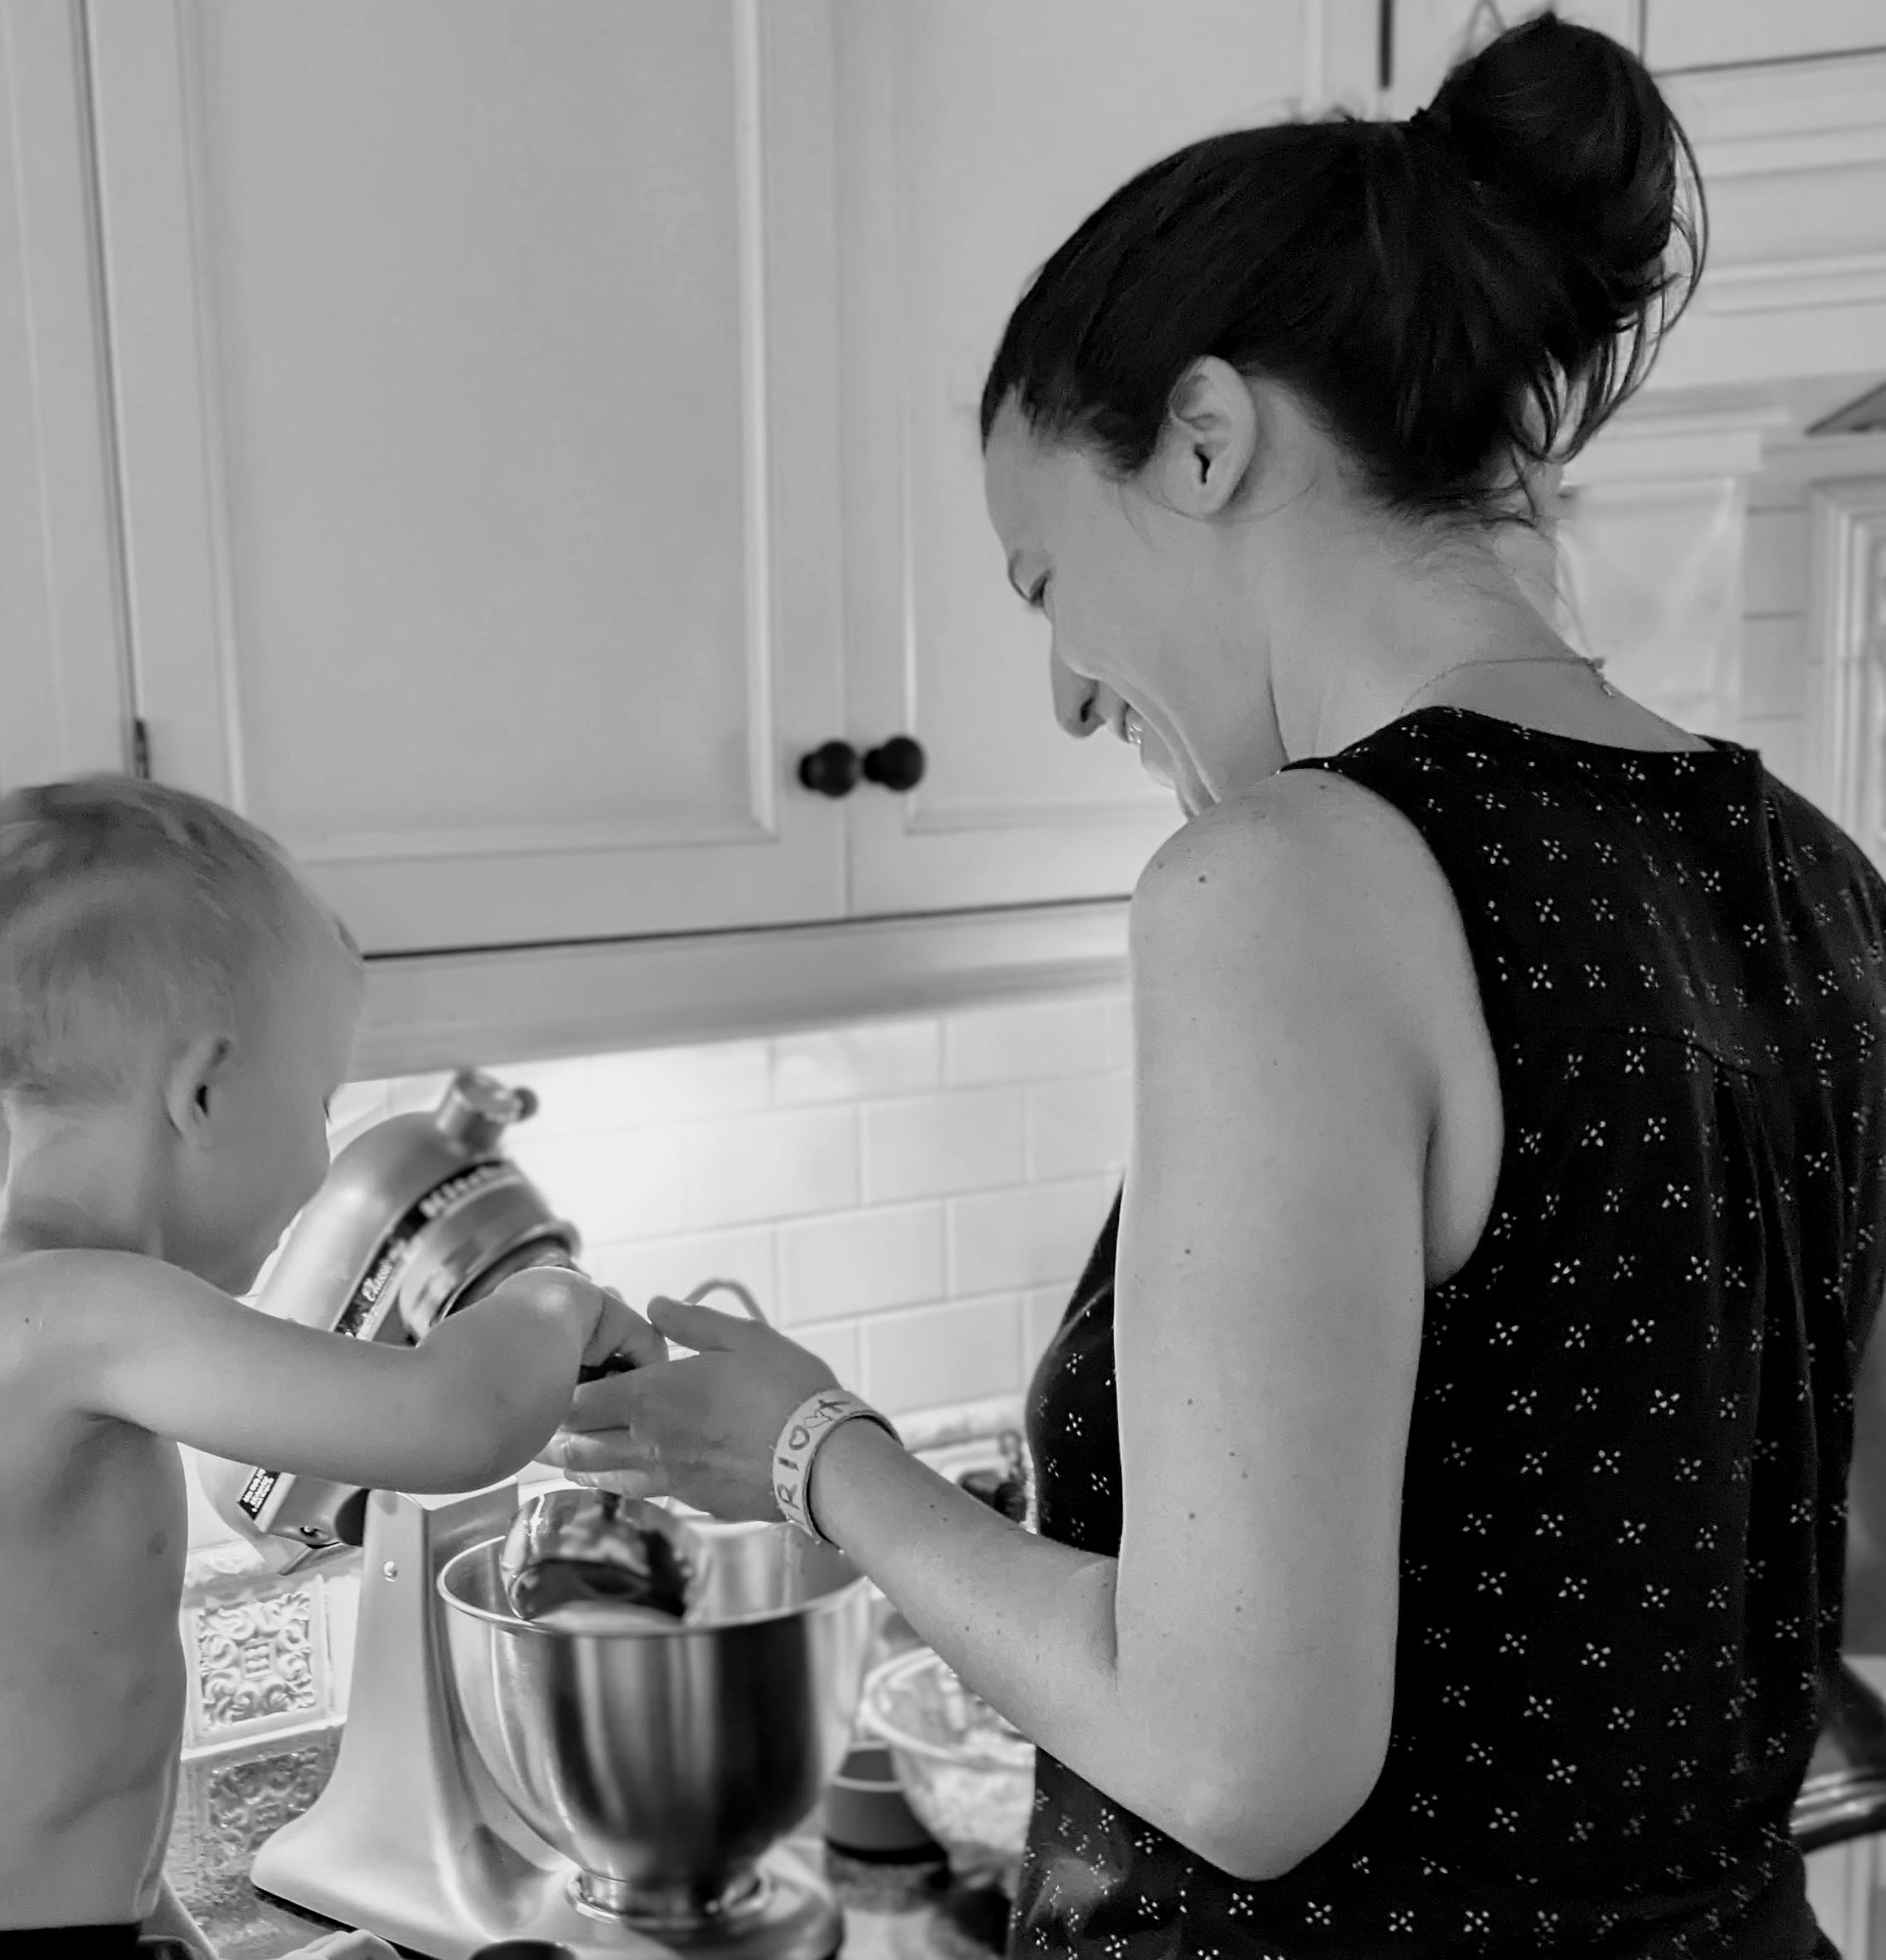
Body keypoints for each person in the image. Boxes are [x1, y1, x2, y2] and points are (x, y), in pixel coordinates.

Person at [550, 15, 1886, 1957]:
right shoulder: (1822, 884)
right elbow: (1859, 1575)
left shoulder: (1285, 881)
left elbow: (1240, 1760)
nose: (1068, 687)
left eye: (1040, 580)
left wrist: (804, 1452)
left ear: (1203, 435)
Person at [0, 778, 658, 1960]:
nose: (323, 1151)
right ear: (205, 1090)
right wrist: (555, 1297)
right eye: (320, 1098)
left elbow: (65, 1790)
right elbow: (453, 1417)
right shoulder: (71, 1311)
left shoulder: (49, 1321)